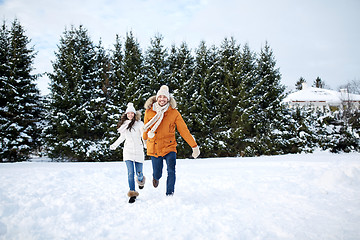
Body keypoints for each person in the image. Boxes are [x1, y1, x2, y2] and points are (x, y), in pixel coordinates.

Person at [142, 85, 200, 196]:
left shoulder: (174, 113)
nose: (162, 99)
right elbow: (145, 127)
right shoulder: (149, 112)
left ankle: (170, 193)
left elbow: (184, 130)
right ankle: (156, 177)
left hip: (169, 147)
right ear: (157, 98)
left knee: (171, 170)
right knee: (158, 173)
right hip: (154, 146)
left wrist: (194, 146)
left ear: (168, 99)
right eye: (160, 97)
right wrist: (144, 140)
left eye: (165, 97)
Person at [110, 103, 146, 203]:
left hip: (138, 150)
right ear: (126, 114)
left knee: (139, 173)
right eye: (128, 113)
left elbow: (143, 136)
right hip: (128, 151)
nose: (130, 115)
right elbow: (122, 137)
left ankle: (141, 180)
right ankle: (132, 193)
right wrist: (114, 145)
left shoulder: (140, 124)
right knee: (130, 173)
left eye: (132, 113)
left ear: (134, 114)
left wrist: (146, 145)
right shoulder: (124, 125)